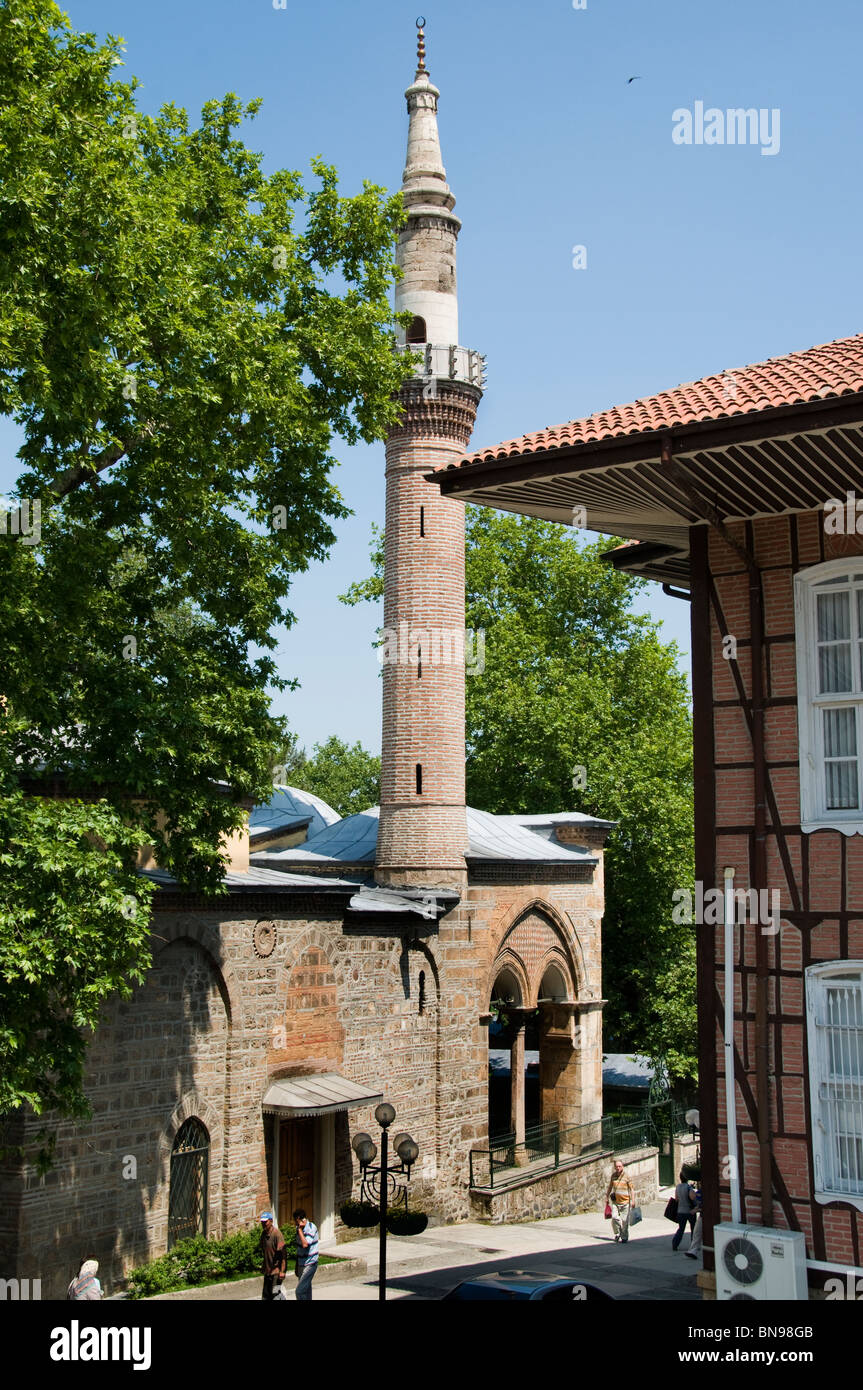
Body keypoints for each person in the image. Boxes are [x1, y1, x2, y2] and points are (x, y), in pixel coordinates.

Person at [259, 1210, 287, 1300]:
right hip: (268, 1271)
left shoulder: (277, 1234)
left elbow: (283, 1255)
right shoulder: (263, 1234)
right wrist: (263, 1266)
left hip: (276, 1271)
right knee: (266, 1295)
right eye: (262, 1222)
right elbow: (265, 1252)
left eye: (265, 1222)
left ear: (271, 1221)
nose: (263, 1224)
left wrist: (282, 1271)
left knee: (275, 1294)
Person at [293, 1208, 319, 1300]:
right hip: (301, 1263)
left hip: (310, 1264)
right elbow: (299, 1248)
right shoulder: (298, 1229)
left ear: (301, 1219)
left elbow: (305, 1244)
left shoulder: (311, 1227)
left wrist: (300, 1230)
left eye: (296, 1221)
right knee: (306, 1290)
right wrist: (297, 1265)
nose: (295, 1224)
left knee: (299, 1291)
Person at [605, 1159, 634, 1243]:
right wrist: (606, 1197)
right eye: (616, 1166)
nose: (618, 1168)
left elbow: (631, 1189)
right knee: (614, 1217)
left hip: (625, 1202)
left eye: (619, 1166)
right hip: (616, 1202)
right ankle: (617, 1233)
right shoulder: (613, 1176)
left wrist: (633, 1200)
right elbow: (610, 1187)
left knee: (625, 1221)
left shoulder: (627, 1176)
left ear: (622, 1166)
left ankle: (624, 1237)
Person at [672, 1170, 697, 1251]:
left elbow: (676, 1199)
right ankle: (693, 1245)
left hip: (680, 1211)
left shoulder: (678, 1187)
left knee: (681, 1229)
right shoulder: (688, 1187)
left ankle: (675, 1243)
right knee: (693, 1228)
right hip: (690, 1211)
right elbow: (692, 1197)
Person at [686, 1183, 703, 1261]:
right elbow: (699, 1205)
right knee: (697, 1232)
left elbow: (705, 1206)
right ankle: (693, 1251)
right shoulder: (700, 1193)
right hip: (702, 1216)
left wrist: (695, 1210)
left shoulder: (702, 1193)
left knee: (697, 1232)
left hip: (706, 1216)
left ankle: (694, 1250)